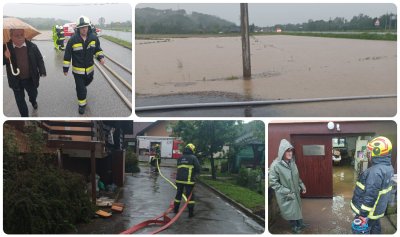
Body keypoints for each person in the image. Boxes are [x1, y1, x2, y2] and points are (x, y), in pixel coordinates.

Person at [350, 136, 394, 234]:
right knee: (375, 226)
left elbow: (370, 195)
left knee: (360, 230)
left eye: (369, 151)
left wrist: (363, 215)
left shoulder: (374, 172)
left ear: (376, 152)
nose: (368, 154)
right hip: (377, 210)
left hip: (368, 212)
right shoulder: (389, 167)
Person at [63, 16, 105, 114]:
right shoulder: (73, 40)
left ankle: (82, 88)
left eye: (85, 27)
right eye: (82, 27)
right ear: (78, 28)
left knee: (87, 82)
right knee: (81, 89)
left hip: (90, 70)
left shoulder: (93, 38)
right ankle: (82, 105)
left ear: (88, 27)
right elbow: (67, 54)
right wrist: (65, 69)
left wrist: (101, 57)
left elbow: (97, 49)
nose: (84, 29)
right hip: (78, 71)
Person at [3, 29, 46, 117]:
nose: (20, 37)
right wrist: (5, 57)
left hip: (30, 78)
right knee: (20, 100)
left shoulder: (32, 46)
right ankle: (24, 117)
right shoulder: (6, 47)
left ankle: (33, 101)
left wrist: (42, 71)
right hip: (15, 80)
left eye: (21, 34)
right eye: (16, 35)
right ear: (11, 36)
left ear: (24, 35)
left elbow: (39, 59)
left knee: (33, 94)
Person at [269, 139, 308, 233]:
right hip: (285, 193)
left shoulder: (292, 163)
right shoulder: (275, 165)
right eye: (287, 151)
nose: (290, 153)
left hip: (295, 190)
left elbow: (296, 176)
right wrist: (287, 191)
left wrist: (302, 185)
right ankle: (294, 227)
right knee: (290, 210)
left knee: (297, 208)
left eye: (291, 151)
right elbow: (273, 183)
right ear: (282, 152)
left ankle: (300, 223)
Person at [174, 143, 201, 218]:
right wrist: (195, 176)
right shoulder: (193, 158)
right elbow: (198, 168)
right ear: (192, 149)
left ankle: (175, 210)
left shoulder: (180, 158)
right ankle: (190, 213)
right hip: (189, 181)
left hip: (179, 180)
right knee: (190, 197)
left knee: (178, 195)